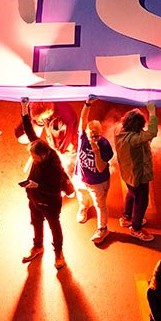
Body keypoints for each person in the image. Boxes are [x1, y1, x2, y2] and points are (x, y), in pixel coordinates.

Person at [20, 95, 74, 269]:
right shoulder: (39, 146)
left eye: (34, 158)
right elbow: (29, 130)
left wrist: (37, 186)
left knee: (54, 228)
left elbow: (54, 191)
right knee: (36, 223)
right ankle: (38, 246)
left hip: (49, 203)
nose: (32, 159)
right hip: (34, 199)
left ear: (43, 156)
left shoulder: (54, 166)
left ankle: (59, 253)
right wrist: (24, 108)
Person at [114, 104, 160, 241]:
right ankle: (136, 228)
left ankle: (126, 217)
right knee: (142, 201)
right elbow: (152, 133)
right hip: (137, 175)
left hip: (128, 174)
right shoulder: (133, 139)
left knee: (131, 193)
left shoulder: (119, 131)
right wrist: (152, 112)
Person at [76, 95, 115, 245]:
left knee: (100, 205)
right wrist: (87, 104)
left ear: (101, 132)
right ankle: (84, 207)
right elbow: (82, 120)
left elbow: (100, 169)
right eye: (91, 133)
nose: (93, 137)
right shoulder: (83, 137)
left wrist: (97, 151)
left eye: (96, 134)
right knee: (81, 194)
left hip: (98, 182)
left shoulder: (104, 146)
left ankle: (103, 229)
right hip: (81, 177)